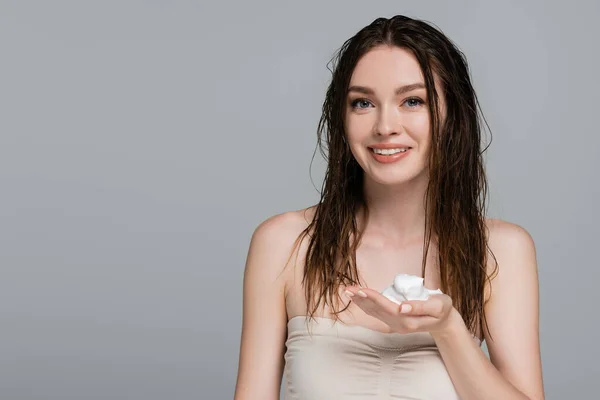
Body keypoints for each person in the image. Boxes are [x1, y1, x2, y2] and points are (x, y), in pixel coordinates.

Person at [233, 15, 544, 400]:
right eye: (362, 102)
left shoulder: (502, 249)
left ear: (452, 115)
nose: (385, 126)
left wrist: (448, 329)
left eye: (412, 101)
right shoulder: (283, 243)